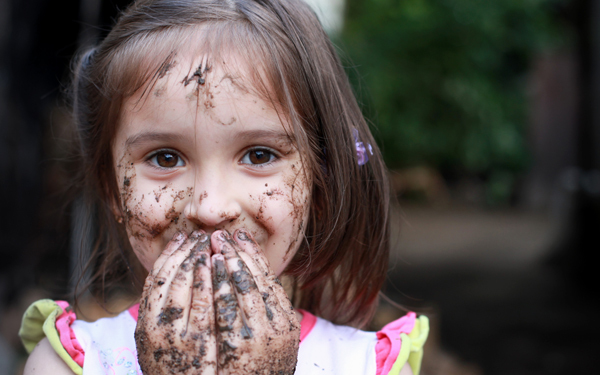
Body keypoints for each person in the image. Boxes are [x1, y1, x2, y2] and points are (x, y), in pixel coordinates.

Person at [19, 0, 429, 374]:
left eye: (259, 155)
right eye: (165, 158)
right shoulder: (66, 364)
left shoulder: (363, 366)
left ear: (319, 185)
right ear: (113, 190)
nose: (210, 208)